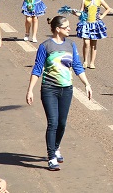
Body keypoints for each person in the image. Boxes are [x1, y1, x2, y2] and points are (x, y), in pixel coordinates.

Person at [26, 16, 92, 171]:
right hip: (49, 89)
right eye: (66, 26)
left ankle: (56, 147)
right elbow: (37, 69)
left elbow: (77, 66)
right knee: (53, 123)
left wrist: (87, 84)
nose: (70, 28)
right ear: (57, 29)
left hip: (67, 89)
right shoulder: (46, 46)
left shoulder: (71, 45)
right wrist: (30, 90)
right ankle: (51, 157)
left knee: (62, 123)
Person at [76, 0, 110, 69]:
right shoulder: (85, 1)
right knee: (86, 43)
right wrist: (75, 13)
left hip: (95, 24)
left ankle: (92, 62)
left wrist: (102, 16)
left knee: (93, 44)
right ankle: (85, 61)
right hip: (86, 24)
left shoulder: (99, 0)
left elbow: (108, 8)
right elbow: (81, 12)